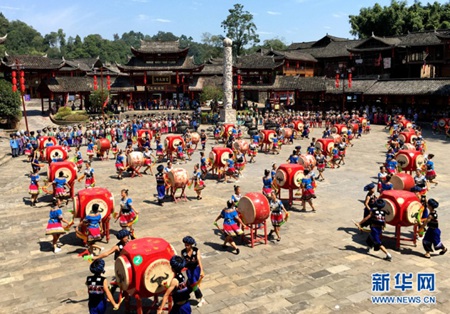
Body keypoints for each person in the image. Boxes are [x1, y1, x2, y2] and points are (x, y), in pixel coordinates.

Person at [181, 236, 206, 307]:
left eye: (188, 245)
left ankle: (201, 298)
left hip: (195, 269)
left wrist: (202, 271)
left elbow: (199, 260)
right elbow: (183, 262)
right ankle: (186, 295)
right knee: (190, 283)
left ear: (191, 244)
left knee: (193, 283)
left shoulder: (196, 250)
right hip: (188, 270)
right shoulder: (183, 252)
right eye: (185, 244)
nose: (186, 246)